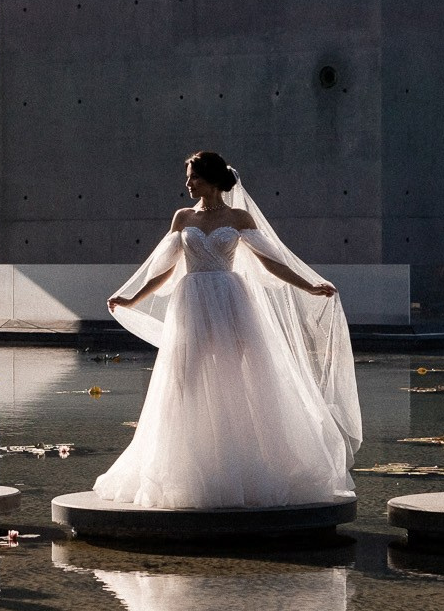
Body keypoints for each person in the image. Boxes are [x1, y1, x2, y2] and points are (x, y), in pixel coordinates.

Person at [97, 151, 361, 510]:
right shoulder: (182, 217)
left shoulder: (238, 218)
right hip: (191, 300)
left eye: (193, 177)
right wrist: (131, 297)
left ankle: (244, 465)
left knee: (239, 379)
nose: (188, 183)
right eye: (188, 178)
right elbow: (163, 269)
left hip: (231, 300)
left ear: (212, 179)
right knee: (184, 379)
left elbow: (272, 261)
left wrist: (309, 286)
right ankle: (185, 468)